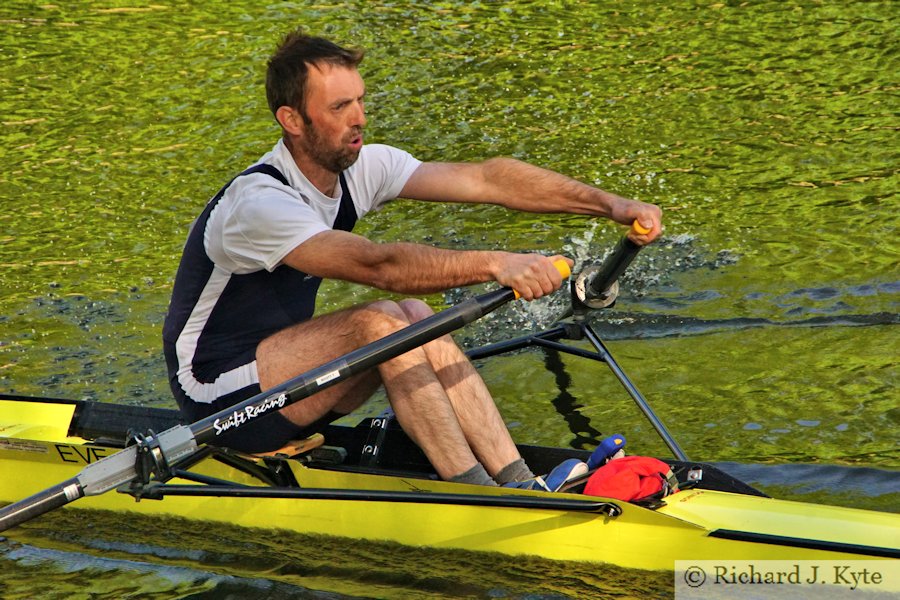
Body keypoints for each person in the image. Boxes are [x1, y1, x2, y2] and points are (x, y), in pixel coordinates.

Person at [163, 30, 662, 491]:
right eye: (340, 107)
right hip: (219, 397)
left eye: (359, 100)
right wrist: (497, 264)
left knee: (417, 318)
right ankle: (474, 492)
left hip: (293, 379)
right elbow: (377, 266)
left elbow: (489, 180)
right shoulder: (258, 204)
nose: (358, 117)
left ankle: (519, 482)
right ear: (292, 120)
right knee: (378, 323)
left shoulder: (361, 165)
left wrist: (611, 205)